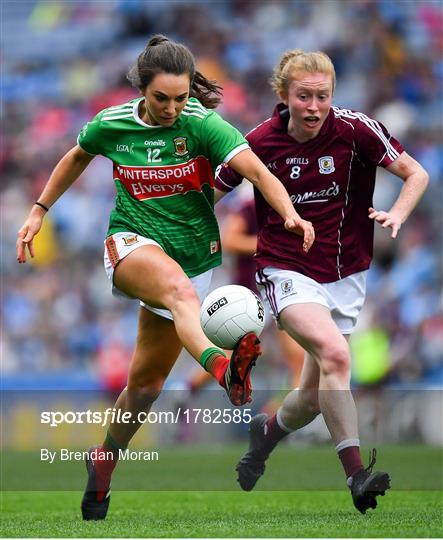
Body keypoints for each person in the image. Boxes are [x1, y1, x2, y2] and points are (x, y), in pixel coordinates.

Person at [15, 35, 314, 521]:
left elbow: (258, 173)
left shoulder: (202, 125)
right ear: (142, 90)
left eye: (180, 98)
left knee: (147, 386)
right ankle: (223, 370)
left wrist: (290, 215)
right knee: (176, 291)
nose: (172, 107)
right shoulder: (112, 124)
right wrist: (38, 210)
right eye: (161, 99)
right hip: (130, 244)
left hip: (196, 260)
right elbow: (76, 156)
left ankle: (102, 463)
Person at [215, 48, 429, 514]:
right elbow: (212, 190)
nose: (314, 106)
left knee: (312, 396)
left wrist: (397, 212)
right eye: (304, 96)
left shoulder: (355, 130)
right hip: (285, 269)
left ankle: (265, 436)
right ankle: (357, 475)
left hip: (348, 273)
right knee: (336, 354)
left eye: (323, 96)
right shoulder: (259, 141)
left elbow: (416, 173)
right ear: (284, 95)